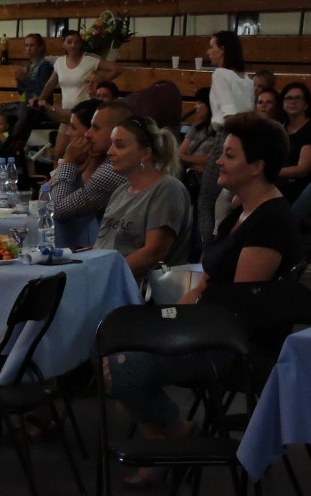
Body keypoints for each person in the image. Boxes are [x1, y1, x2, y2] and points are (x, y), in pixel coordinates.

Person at [106, 113, 302, 489]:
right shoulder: (242, 213)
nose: (217, 162)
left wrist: (170, 328)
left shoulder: (269, 222)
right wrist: (163, 317)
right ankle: (173, 433)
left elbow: (238, 310)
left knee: (121, 366)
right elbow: (207, 283)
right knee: (117, 348)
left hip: (241, 349)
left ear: (257, 166)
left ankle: (175, 433)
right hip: (210, 328)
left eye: (228, 155)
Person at [94, 115, 193, 279]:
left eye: (119, 145)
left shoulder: (167, 189)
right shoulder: (120, 191)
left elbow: (153, 253)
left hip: (140, 290)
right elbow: (105, 244)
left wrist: (104, 276)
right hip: (109, 278)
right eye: (112, 144)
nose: (110, 152)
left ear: (145, 154)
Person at [197, 31, 254, 243]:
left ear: (223, 49)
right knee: (228, 198)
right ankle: (224, 241)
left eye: (212, 46)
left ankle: (209, 248)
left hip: (227, 133)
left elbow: (229, 111)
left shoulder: (220, 74)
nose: (208, 51)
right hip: (245, 136)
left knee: (207, 200)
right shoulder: (246, 79)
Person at [50, 100, 132, 248]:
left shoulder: (113, 170)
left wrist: (68, 163)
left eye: (95, 128)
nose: (88, 134)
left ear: (116, 132)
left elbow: (56, 210)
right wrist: (73, 172)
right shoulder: (111, 164)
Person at [36, 30, 123, 161]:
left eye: (77, 42)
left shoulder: (89, 60)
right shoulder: (59, 62)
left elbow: (117, 68)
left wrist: (99, 83)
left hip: (84, 115)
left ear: (81, 44)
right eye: (69, 42)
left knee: (83, 155)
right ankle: (55, 181)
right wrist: (40, 98)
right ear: (63, 44)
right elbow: (50, 84)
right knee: (59, 154)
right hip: (66, 116)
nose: (73, 45)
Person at [275, 82, 311, 203]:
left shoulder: (309, 129)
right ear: (283, 104)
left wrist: (270, 172)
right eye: (288, 98)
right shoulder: (280, 129)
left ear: (306, 105)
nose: (292, 101)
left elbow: (303, 169)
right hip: (279, 180)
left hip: (302, 185)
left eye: (298, 98)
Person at [178, 87, 216, 187]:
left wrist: (186, 159)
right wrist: (195, 163)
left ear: (209, 105)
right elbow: (180, 153)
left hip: (207, 181)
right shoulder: (195, 127)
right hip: (190, 177)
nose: (195, 106)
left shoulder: (220, 131)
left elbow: (210, 159)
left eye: (199, 103)